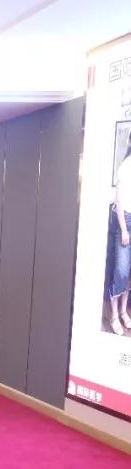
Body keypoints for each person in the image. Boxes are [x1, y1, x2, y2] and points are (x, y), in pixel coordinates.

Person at [108, 134, 131, 335]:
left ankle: (124, 311)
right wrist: (124, 229)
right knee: (121, 270)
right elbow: (119, 202)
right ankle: (114, 314)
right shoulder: (125, 167)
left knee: (129, 271)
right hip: (126, 221)